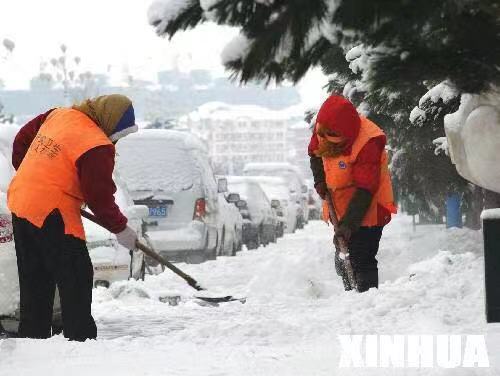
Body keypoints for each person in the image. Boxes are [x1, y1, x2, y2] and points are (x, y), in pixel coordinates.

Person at [8, 94, 139, 341]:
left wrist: (35, 179)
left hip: (21, 202)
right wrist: (121, 229)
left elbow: (21, 142)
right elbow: (99, 195)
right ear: (110, 122)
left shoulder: (59, 115)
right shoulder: (96, 144)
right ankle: (80, 343)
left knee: (35, 278)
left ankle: (32, 340)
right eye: (120, 133)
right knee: (76, 277)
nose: (117, 139)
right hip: (52, 211)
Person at [308, 95, 397, 293]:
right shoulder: (323, 128)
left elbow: (366, 188)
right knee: (343, 258)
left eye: (336, 141)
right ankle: (351, 298)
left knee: (361, 257)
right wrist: (320, 181)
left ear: (346, 134)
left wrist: (348, 225)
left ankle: (366, 301)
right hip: (340, 206)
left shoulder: (368, 141)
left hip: (369, 206)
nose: (330, 144)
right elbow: (314, 153)